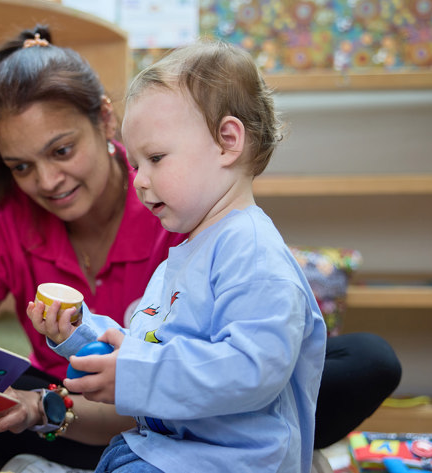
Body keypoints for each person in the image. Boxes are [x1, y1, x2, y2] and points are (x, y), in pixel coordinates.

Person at [0, 25, 400, 470]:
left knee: (355, 360)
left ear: (104, 121)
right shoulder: (19, 222)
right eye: (21, 166)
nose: (47, 181)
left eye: (62, 150)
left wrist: (139, 375)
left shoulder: (184, 204)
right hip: (97, 404)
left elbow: (221, 353)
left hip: (192, 402)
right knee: (2, 390)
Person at [29, 37, 327, 472]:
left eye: (156, 158)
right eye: (136, 165)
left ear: (227, 142)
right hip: (166, 451)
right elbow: (150, 345)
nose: (139, 180)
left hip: (232, 463)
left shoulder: (253, 251)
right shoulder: (184, 256)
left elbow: (252, 370)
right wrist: (79, 330)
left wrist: (134, 374)